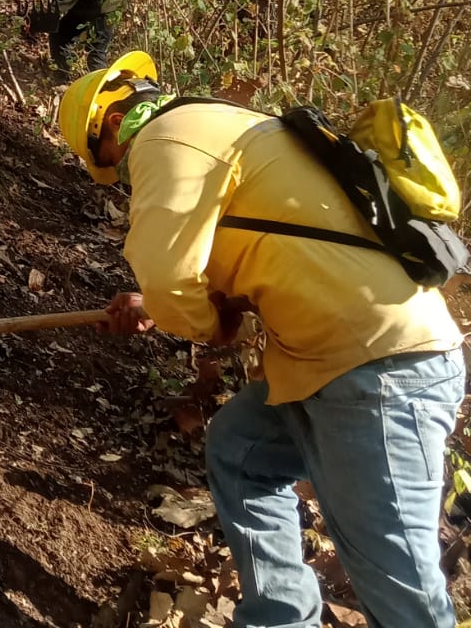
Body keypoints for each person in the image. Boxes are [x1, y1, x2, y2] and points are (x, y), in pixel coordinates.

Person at [57, 51, 466, 628]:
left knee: (394, 581)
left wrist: (194, 319)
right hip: (341, 356)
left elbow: (170, 276)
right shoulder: (229, 124)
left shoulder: (166, 137)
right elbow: (270, 257)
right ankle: (279, 618)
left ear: (106, 137)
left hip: (377, 368)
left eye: (105, 163)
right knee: (240, 450)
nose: (118, 174)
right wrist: (162, 305)